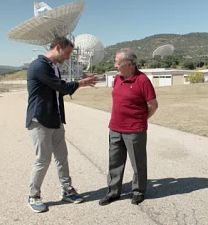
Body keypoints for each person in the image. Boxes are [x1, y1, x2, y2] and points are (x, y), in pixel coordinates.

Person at [26, 36, 96, 213]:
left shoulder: (54, 67)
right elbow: (61, 87)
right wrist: (80, 83)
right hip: (40, 120)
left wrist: (76, 84)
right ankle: (33, 196)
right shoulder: (39, 65)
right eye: (66, 53)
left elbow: (57, 92)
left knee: (62, 157)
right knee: (43, 159)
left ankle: (67, 190)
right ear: (57, 48)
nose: (67, 57)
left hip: (55, 119)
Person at [99, 48, 158, 206]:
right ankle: (113, 192)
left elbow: (153, 105)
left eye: (118, 63)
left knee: (138, 163)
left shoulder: (143, 80)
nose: (115, 66)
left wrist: (141, 119)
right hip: (115, 128)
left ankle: (138, 191)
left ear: (130, 64)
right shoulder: (117, 79)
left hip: (134, 130)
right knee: (114, 162)